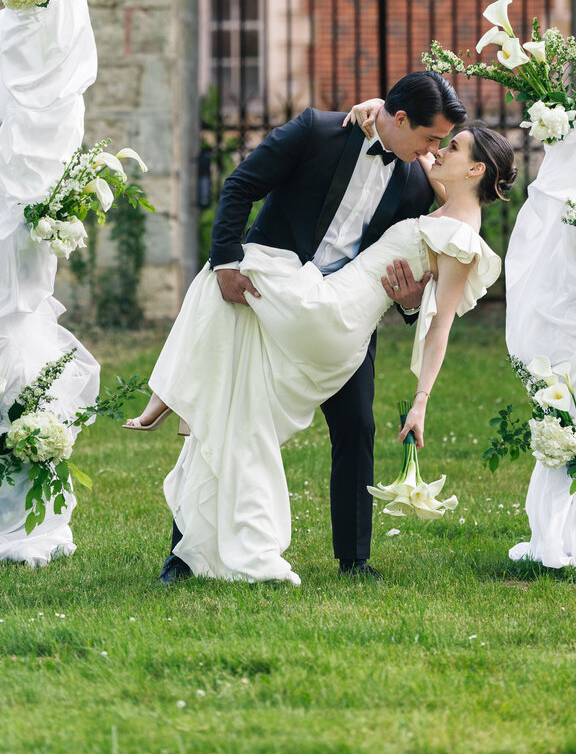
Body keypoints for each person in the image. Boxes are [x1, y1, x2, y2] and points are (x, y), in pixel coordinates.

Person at [127, 120, 513, 584]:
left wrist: (421, 400)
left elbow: (439, 324)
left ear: (474, 170)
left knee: (230, 267)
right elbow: (405, 133)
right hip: (323, 296)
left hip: (334, 313)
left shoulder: (460, 238)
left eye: (450, 147)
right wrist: (376, 108)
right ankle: (194, 547)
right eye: (434, 141)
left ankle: (169, 392)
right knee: (237, 394)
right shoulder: (436, 184)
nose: (435, 152)